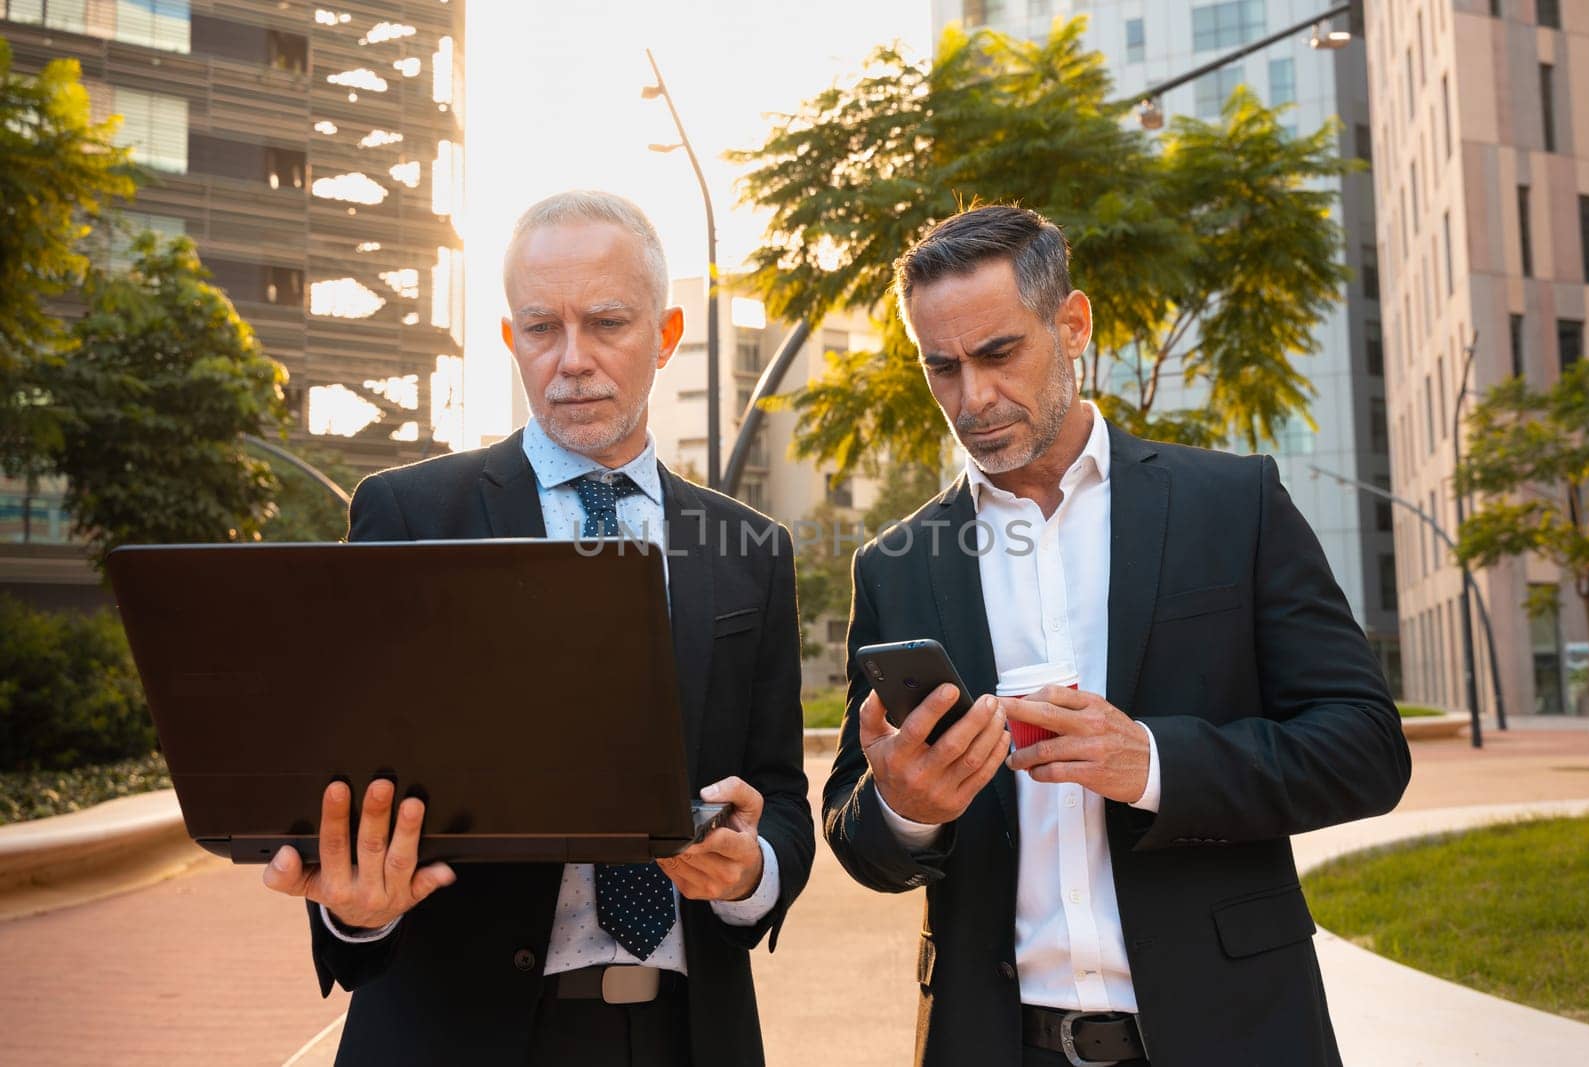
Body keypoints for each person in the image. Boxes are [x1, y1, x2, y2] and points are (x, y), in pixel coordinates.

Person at [823, 204, 1410, 1067]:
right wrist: (905, 812)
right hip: (996, 1041)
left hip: (1234, 1031)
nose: (971, 397)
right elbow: (855, 828)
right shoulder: (897, 564)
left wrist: (1156, 763)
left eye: (997, 353)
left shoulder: (1233, 504)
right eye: (939, 366)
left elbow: (1367, 748)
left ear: (1072, 324)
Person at [262, 190, 814, 1066]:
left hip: (683, 1034)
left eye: (606, 323)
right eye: (541, 328)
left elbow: (781, 793)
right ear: (510, 338)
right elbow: (351, 774)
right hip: (456, 1033)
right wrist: (351, 910)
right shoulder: (410, 515)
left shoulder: (751, 548)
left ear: (666, 335)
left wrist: (755, 872)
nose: (573, 360)